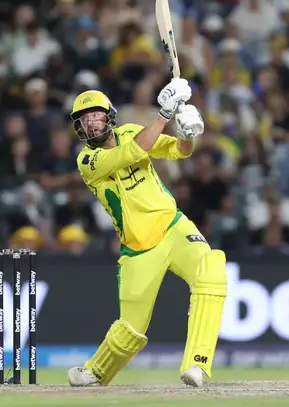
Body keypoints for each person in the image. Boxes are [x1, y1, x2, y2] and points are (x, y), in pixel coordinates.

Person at [66, 79, 227, 388]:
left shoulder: (130, 131)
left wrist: (188, 133)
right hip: (138, 249)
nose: (91, 123)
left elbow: (180, 151)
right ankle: (95, 372)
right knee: (130, 331)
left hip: (174, 227)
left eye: (96, 115)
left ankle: (197, 363)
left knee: (212, 270)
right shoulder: (87, 161)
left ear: (109, 116)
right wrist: (164, 114)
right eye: (84, 120)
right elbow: (131, 153)